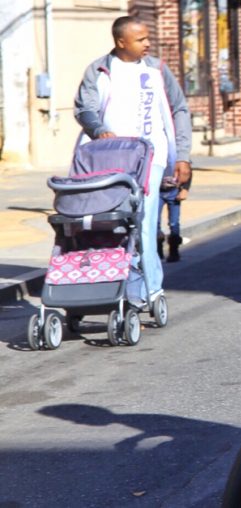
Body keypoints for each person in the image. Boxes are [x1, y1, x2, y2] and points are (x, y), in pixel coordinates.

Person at [74, 16, 192, 307]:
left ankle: (147, 291)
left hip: (150, 159)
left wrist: (184, 156)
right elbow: (83, 108)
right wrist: (98, 129)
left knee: (144, 223)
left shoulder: (157, 70)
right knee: (110, 224)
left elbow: (179, 110)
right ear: (121, 42)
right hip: (108, 159)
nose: (148, 44)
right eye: (141, 39)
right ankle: (110, 284)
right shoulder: (99, 70)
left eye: (147, 37)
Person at [157, 171, 191, 263]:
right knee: (155, 222)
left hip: (174, 191)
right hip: (157, 191)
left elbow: (187, 169)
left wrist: (185, 189)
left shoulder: (178, 156)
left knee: (174, 223)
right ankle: (158, 251)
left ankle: (174, 251)